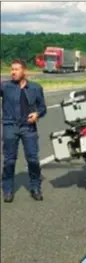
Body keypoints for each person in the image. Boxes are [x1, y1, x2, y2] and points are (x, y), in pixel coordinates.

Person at [0, 59, 47, 202]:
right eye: (11, 69)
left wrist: (37, 114)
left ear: (24, 71)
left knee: (33, 159)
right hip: (10, 126)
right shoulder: (5, 87)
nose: (13, 72)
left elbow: (42, 107)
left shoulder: (35, 88)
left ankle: (35, 187)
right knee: (9, 160)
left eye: (16, 69)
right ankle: (8, 190)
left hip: (28, 127)